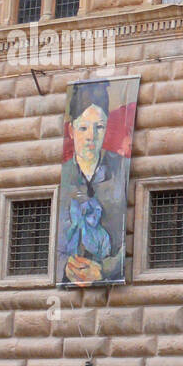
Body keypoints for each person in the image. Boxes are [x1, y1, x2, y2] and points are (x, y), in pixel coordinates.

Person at [57, 81, 128, 285]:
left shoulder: (120, 170)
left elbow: (134, 240)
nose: (91, 136)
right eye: (83, 127)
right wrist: (65, 266)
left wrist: (106, 269)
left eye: (99, 127)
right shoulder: (64, 176)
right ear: (71, 131)